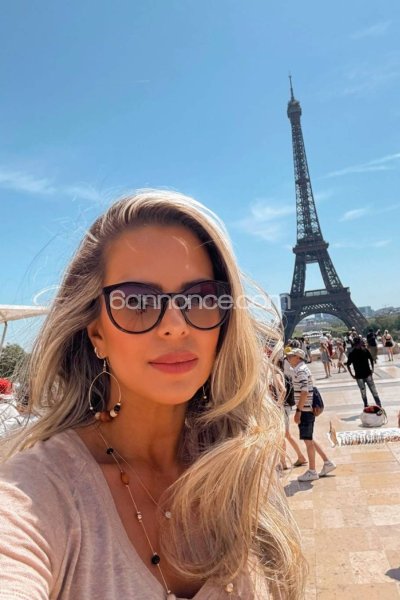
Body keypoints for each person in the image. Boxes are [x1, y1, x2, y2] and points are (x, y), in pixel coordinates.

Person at [0, 190, 306, 600]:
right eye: (137, 301)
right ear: (97, 334)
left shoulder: (240, 466)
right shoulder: (37, 493)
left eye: (202, 297)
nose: (176, 325)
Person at [285, 348, 336, 482]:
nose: (288, 358)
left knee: (308, 441)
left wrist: (298, 411)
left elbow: (304, 391)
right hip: (307, 409)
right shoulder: (302, 369)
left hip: (305, 411)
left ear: (298, 358)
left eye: (291, 356)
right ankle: (327, 462)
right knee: (309, 438)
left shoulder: (300, 371)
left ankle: (312, 471)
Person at [346, 336, 382, 408]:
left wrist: (352, 375)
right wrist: (372, 369)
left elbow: (348, 365)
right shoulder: (361, 351)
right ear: (358, 343)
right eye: (360, 342)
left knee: (368, 391)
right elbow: (371, 359)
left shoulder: (354, 352)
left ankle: (373, 404)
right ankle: (374, 404)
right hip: (363, 375)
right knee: (368, 391)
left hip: (363, 375)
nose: (361, 343)